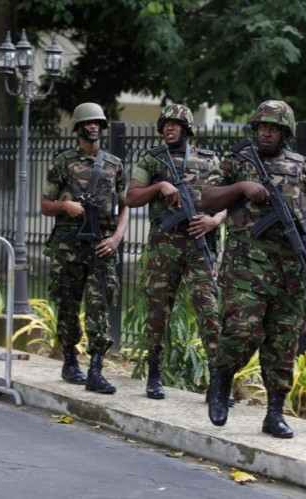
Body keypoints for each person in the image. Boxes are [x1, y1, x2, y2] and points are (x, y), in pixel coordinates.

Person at [201, 100, 306, 438]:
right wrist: (241, 188)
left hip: (291, 270)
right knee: (241, 331)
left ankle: (274, 413)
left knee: (283, 343)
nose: (266, 131)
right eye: (262, 126)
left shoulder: (303, 168)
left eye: (273, 128)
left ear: (285, 132)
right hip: (245, 267)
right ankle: (222, 377)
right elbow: (207, 199)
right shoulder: (237, 162)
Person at [126, 104, 226, 400]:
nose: (169, 128)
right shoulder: (152, 159)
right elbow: (131, 197)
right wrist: (159, 186)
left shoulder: (208, 160)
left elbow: (225, 200)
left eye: (175, 124)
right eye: (165, 124)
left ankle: (217, 380)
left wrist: (214, 220)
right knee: (158, 310)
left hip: (199, 244)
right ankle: (154, 374)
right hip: (164, 245)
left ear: (187, 129)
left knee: (208, 310)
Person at [41, 102, 129, 394]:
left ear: (102, 128)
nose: (93, 127)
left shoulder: (114, 164)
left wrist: (116, 238)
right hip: (68, 244)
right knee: (67, 304)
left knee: (100, 305)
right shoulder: (63, 162)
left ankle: (96, 370)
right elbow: (45, 206)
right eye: (87, 123)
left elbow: (126, 204)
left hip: (102, 244)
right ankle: (69, 360)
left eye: (97, 123)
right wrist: (65, 205)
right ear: (78, 128)